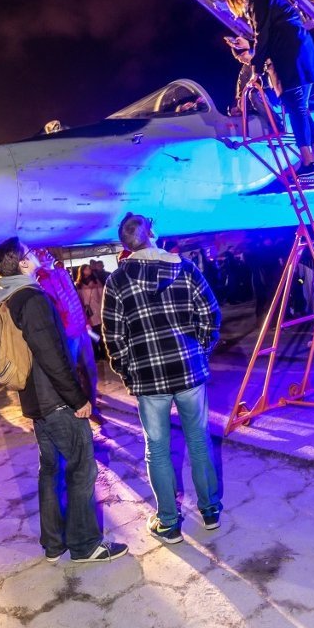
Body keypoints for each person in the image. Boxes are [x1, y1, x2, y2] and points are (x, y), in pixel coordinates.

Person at [0, 237, 127, 564]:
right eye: (29, 252)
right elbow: (51, 355)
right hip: (55, 399)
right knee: (82, 468)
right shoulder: (32, 299)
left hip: (36, 401)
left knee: (50, 470)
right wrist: (77, 398)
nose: (37, 254)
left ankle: (53, 544)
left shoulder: (8, 299)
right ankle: (85, 545)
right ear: (23, 263)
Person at [103, 213, 223, 542]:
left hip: (148, 376)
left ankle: (169, 522)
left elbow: (114, 336)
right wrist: (200, 350)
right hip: (188, 369)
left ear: (125, 244)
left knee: (157, 449)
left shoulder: (117, 281)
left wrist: (128, 370)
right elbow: (210, 314)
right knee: (198, 440)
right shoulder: (185, 268)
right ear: (152, 232)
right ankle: (210, 510)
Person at [224, 0, 314, 177]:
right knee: (301, 109)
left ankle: (308, 162)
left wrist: (256, 71)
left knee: (296, 109)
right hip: (300, 55)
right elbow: (271, 33)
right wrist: (248, 45)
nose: (240, 12)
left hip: (289, 59)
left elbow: (263, 35)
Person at [33, 248, 102, 424]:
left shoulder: (62, 272)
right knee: (71, 376)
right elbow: (55, 308)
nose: (46, 254)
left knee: (90, 372)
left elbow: (75, 298)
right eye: (40, 253)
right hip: (67, 334)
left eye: (46, 251)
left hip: (81, 329)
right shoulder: (41, 280)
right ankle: (77, 410)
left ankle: (92, 407)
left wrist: (85, 320)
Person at [76, 265, 106, 362]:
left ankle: (104, 353)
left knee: (101, 332)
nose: (88, 270)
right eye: (86, 269)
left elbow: (103, 295)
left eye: (89, 268)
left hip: (98, 310)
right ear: (82, 271)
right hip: (87, 312)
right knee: (91, 334)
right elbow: (78, 299)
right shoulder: (79, 285)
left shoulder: (96, 282)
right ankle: (96, 354)